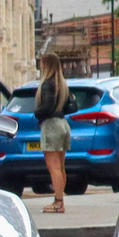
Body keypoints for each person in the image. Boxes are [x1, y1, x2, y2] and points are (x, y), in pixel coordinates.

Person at [35, 51, 72, 213]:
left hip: (51, 125)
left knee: (53, 166)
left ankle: (58, 202)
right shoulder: (62, 84)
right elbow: (73, 107)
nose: (40, 65)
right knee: (61, 166)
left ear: (46, 65)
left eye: (42, 63)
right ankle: (60, 200)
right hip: (63, 124)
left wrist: (36, 114)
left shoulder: (47, 84)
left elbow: (47, 107)